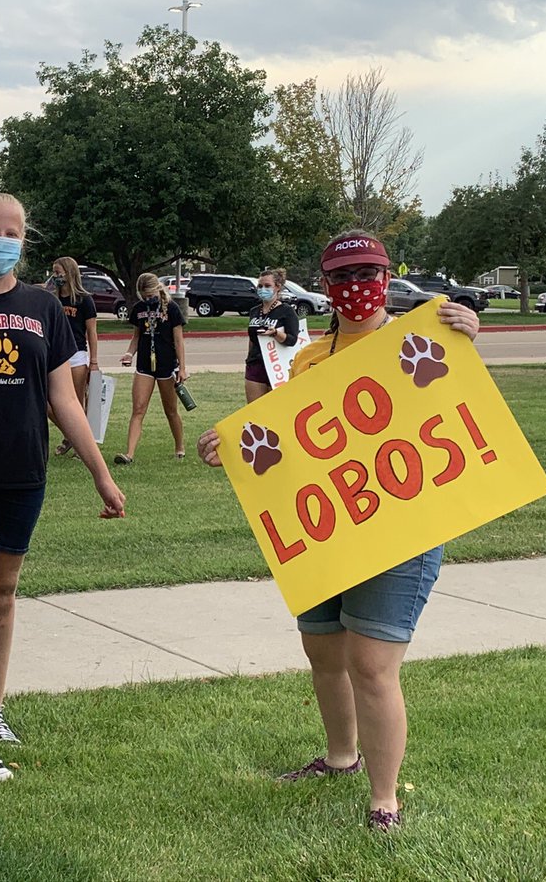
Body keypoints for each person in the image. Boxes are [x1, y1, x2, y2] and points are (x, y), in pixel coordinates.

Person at [197, 230, 481, 832]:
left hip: (401, 530)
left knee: (372, 665)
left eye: (367, 273)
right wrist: (235, 445)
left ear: (387, 277)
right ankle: (339, 758)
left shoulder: (430, 337)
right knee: (323, 653)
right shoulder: (307, 360)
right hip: (327, 528)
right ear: (325, 286)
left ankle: (385, 801)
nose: (356, 286)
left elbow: (462, 412)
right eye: (343, 276)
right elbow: (296, 444)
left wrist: (467, 336)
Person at [0, 192, 126, 782]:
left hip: (24, 473)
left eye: (13, 233)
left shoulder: (44, 307)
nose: (2, 240)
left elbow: (64, 399)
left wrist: (101, 473)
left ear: (24, 241)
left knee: (6, 594)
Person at [114, 273, 188, 464]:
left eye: (150, 295)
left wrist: (182, 368)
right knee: (138, 409)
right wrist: (129, 353)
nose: (147, 299)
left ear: (157, 289)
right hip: (144, 365)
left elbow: (179, 341)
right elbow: (136, 337)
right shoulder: (139, 309)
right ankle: (129, 454)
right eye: (144, 296)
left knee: (170, 410)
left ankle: (179, 447)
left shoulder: (172, 308)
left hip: (167, 365)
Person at [48, 256, 99, 456]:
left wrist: (93, 361)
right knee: (49, 401)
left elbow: (92, 332)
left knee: (76, 403)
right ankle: (70, 435)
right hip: (55, 354)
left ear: (69, 273)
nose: (56, 276)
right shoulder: (53, 298)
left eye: (58, 272)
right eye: (54, 272)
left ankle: (82, 445)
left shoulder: (84, 300)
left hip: (77, 353)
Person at [244, 268, 300, 403]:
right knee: (254, 409)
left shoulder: (287, 311)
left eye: (267, 286)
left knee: (276, 408)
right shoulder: (254, 311)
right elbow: (252, 338)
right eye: (260, 286)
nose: (263, 289)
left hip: (276, 366)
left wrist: (275, 333)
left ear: (277, 287)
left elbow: (292, 340)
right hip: (255, 365)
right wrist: (249, 358)